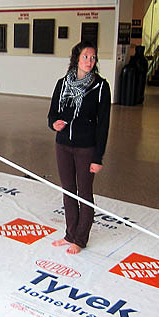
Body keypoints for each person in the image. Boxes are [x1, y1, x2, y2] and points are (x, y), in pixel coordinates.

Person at [48, 41, 111, 254]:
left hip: (86, 148)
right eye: (85, 57)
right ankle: (70, 233)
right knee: (68, 191)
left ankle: (81, 239)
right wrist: (53, 124)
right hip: (63, 145)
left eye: (93, 58)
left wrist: (98, 157)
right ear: (76, 58)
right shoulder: (62, 83)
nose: (89, 61)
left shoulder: (100, 87)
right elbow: (52, 114)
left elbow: (103, 125)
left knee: (84, 193)